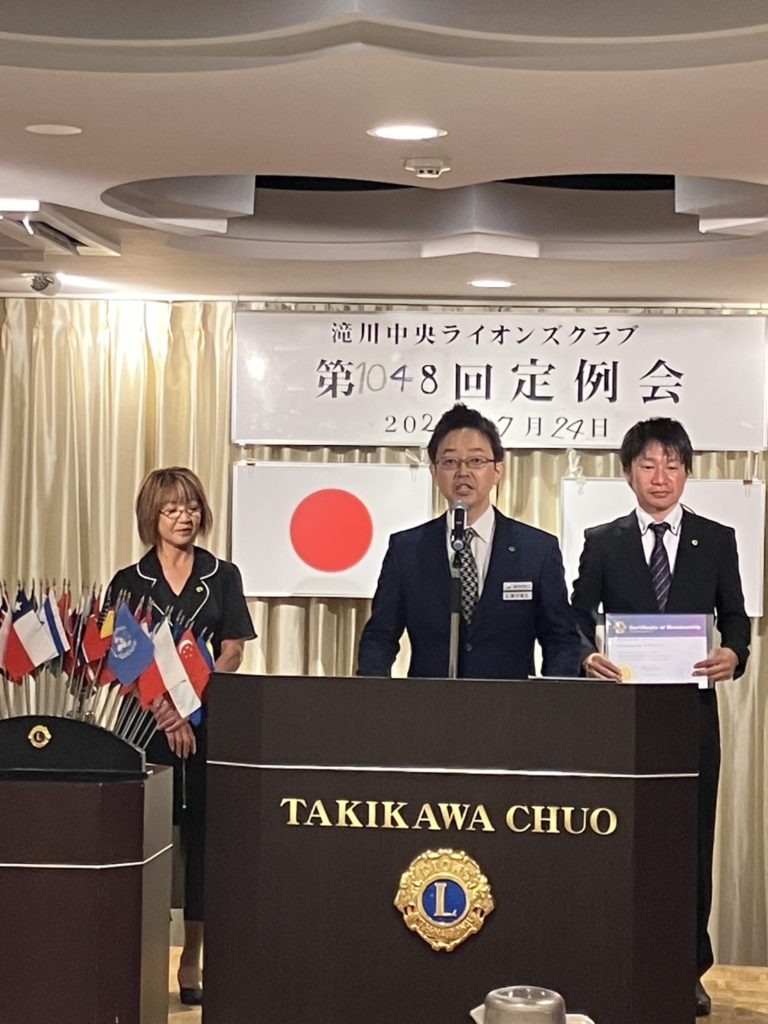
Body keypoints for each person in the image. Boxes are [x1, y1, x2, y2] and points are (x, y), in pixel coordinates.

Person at [570, 418, 751, 1018]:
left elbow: (737, 618)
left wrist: (735, 653)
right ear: (628, 474)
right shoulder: (604, 540)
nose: (660, 477)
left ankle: (686, 969)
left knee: (691, 844)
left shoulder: (716, 539)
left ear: (687, 472)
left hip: (691, 716)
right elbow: (575, 617)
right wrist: (585, 656)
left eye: (672, 465)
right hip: (622, 717)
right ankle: (614, 958)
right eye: (648, 465)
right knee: (621, 839)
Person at [108, 467, 255, 1006]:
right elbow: (120, 659)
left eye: (191, 507)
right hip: (145, 727)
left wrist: (194, 699)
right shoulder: (129, 581)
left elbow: (234, 647)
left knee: (202, 841)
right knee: (145, 837)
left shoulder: (222, 575)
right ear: (152, 515)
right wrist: (166, 713)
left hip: (208, 724)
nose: (183, 517)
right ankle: (141, 954)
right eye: (171, 508)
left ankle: (192, 956)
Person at [357, 403, 582, 680]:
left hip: (512, 703)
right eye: (450, 462)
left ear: (497, 470)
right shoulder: (407, 550)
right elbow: (380, 636)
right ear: (434, 471)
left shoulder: (537, 550)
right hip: (429, 702)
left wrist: (550, 698)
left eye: (476, 461)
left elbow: (561, 639)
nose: (463, 472)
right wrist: (373, 695)